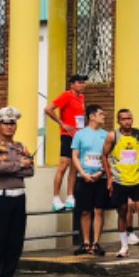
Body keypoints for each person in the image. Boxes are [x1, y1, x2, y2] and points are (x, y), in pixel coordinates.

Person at [104, 108, 139, 258]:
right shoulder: (113, 135)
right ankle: (124, 246)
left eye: (130, 118)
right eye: (124, 119)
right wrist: (109, 177)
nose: (127, 121)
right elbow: (104, 155)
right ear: (118, 121)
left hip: (136, 178)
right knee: (122, 212)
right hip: (119, 179)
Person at [0, 106, 33, 277]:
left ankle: (9, 276)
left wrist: (11, 166)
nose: (10, 127)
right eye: (6, 123)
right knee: (0, 239)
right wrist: (20, 164)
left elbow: (31, 170)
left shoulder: (20, 147)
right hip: (1, 197)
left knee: (16, 240)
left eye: (13, 123)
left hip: (19, 196)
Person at [71, 104, 110, 255]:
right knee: (85, 211)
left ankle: (96, 243)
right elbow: (75, 155)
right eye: (100, 114)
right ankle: (86, 242)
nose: (103, 116)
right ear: (92, 116)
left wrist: (101, 172)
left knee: (99, 209)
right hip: (84, 177)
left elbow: (109, 156)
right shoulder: (80, 134)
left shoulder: (106, 135)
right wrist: (83, 173)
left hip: (101, 177)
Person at [45, 75, 87, 211]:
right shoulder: (66, 95)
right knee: (63, 165)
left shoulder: (81, 97)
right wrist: (62, 123)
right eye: (79, 83)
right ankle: (56, 198)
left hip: (78, 136)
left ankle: (70, 196)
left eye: (83, 83)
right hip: (67, 135)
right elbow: (48, 109)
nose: (82, 85)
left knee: (75, 166)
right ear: (72, 85)